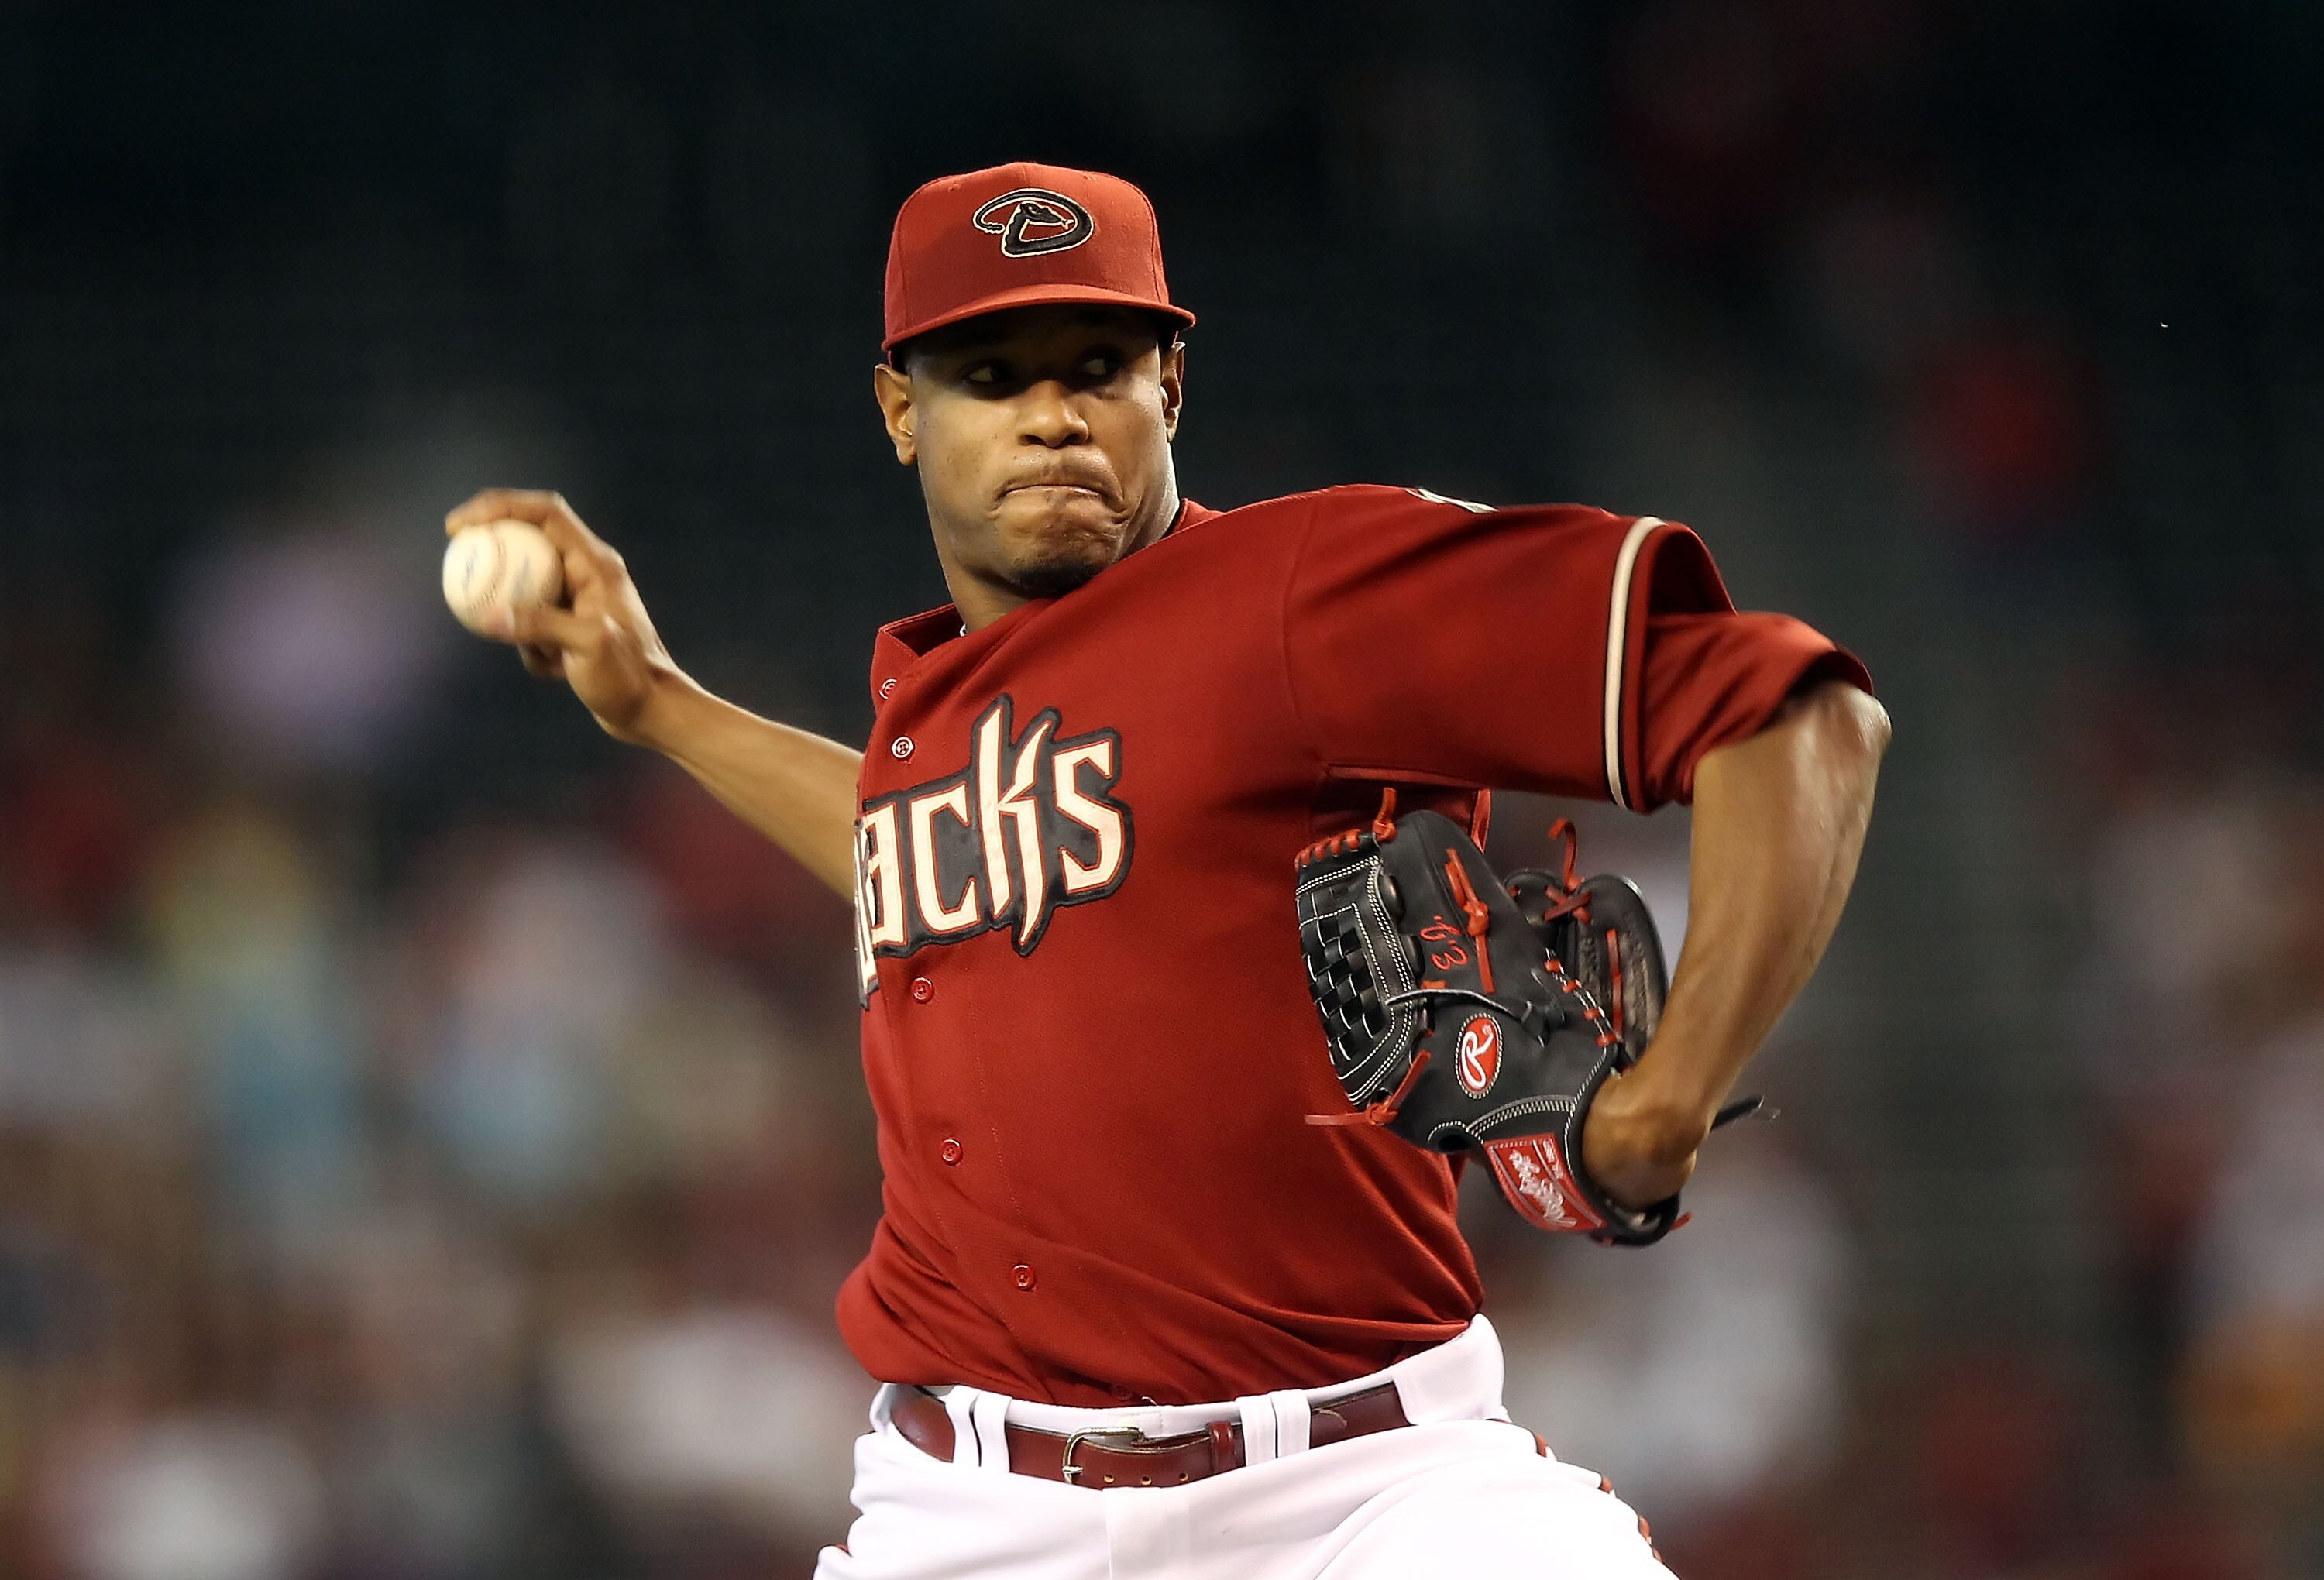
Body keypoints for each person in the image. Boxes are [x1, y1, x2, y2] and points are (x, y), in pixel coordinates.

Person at [448, 161, 1889, 1578]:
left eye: (1098, 364)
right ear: (900, 409)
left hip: (1372, 1495)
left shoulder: (1301, 593)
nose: (1054, 415)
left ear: (1172, 386)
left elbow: (1805, 716)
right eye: (990, 375)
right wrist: (663, 706)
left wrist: (1671, 1098)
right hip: (972, 1515)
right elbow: (909, 836)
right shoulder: (935, 718)